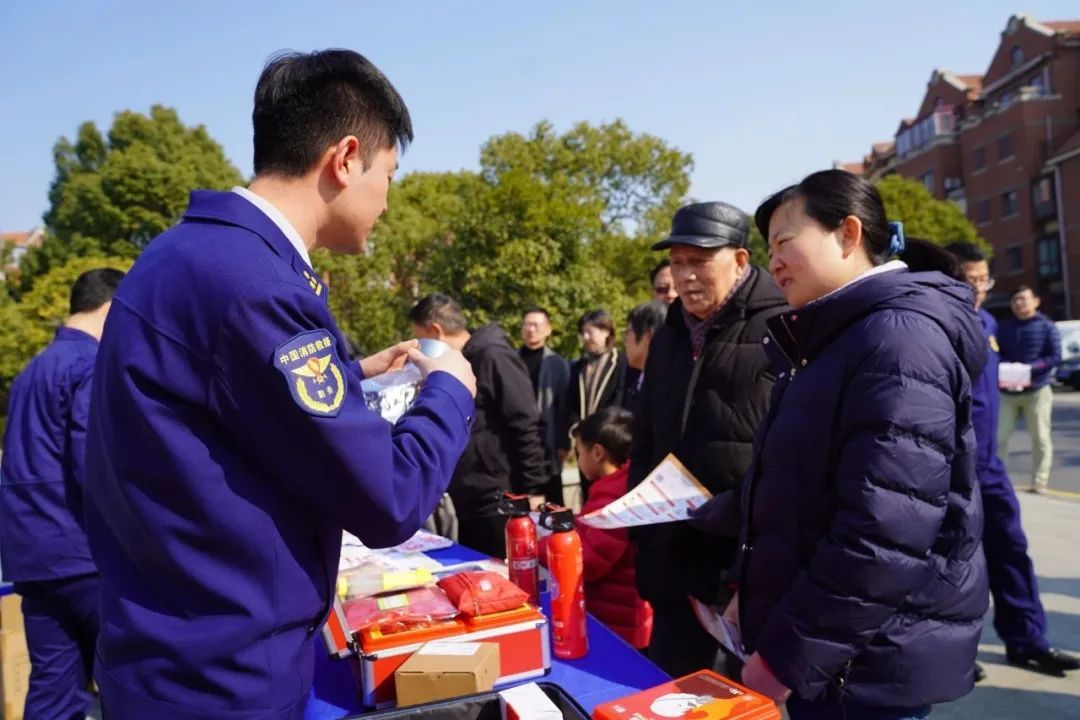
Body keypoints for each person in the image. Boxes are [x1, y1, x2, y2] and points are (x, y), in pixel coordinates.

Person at [83, 51, 478, 720]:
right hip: (221, 681)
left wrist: (351, 376)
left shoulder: (184, 254)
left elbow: (223, 414)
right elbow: (389, 498)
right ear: (345, 159)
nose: (387, 200)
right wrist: (449, 390)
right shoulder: (258, 286)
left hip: (164, 654)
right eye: (389, 175)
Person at [723, 169, 988, 719]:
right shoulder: (832, 338)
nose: (774, 263)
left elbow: (882, 532)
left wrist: (787, 657)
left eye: (784, 242)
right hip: (836, 654)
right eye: (768, 248)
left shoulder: (897, 339)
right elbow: (802, 493)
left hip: (864, 662)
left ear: (847, 233)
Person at [630, 201, 787, 678]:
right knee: (671, 691)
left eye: (699, 261)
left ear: (739, 260)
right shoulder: (668, 336)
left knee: (740, 698)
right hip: (672, 557)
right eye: (677, 263)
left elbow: (792, 455)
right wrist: (641, 532)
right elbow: (646, 438)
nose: (685, 276)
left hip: (743, 564)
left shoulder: (782, 327)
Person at [942, 243, 1079, 679]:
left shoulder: (987, 323)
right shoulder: (938, 323)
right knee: (954, 565)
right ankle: (954, 655)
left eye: (984, 279)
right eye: (970, 279)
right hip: (950, 467)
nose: (979, 288)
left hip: (989, 463)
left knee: (1011, 550)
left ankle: (1027, 640)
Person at [0, 268, 123, 720]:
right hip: (83, 553)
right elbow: (94, 463)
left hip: (32, 557)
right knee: (134, 680)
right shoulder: (89, 365)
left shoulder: (31, 371)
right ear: (111, 309)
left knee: (54, 690)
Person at [411, 294, 549, 558]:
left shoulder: (493, 356)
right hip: (470, 498)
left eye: (421, 340)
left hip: (499, 498)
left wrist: (533, 490)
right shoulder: (459, 362)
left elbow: (525, 423)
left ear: (436, 331)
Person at [542, 407, 652, 650]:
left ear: (598, 453)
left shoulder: (613, 499)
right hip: (619, 615)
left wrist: (542, 545)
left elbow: (590, 561)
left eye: (579, 452)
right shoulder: (619, 485)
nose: (578, 459)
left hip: (619, 622)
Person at [996, 285, 1061, 494]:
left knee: (1040, 437)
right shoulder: (1004, 327)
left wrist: (1030, 368)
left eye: (1023, 299)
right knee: (999, 437)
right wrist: (1007, 365)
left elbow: (1055, 356)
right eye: (1015, 299)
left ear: (1036, 301)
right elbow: (996, 352)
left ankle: (1040, 481)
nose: (1019, 303)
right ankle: (998, 480)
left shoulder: (1047, 326)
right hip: (1007, 391)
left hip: (1037, 390)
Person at [567, 309, 627, 501]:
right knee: (588, 493)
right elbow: (572, 402)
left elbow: (620, 400)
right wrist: (576, 429)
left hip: (610, 442)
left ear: (606, 331)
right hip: (585, 443)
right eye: (583, 333)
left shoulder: (621, 363)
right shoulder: (578, 366)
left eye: (590, 332)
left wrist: (601, 430)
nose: (586, 338)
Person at [519, 307, 571, 505]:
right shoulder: (512, 359)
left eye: (536, 325)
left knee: (552, 496)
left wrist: (564, 442)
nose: (531, 329)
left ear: (548, 329)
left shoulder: (557, 363)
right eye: (527, 325)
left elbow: (564, 405)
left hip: (547, 439)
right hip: (520, 436)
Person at [621, 300, 668, 413]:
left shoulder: (668, 389)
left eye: (627, 333)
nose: (625, 341)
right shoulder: (638, 383)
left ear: (649, 337)